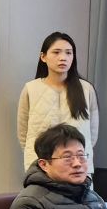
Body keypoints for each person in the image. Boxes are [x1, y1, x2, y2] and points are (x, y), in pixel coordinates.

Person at [17, 30, 100, 170]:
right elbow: (23, 132)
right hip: (41, 164)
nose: (63, 58)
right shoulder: (31, 89)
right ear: (43, 57)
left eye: (68, 53)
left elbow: (92, 133)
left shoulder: (86, 89)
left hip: (77, 165)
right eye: (56, 52)